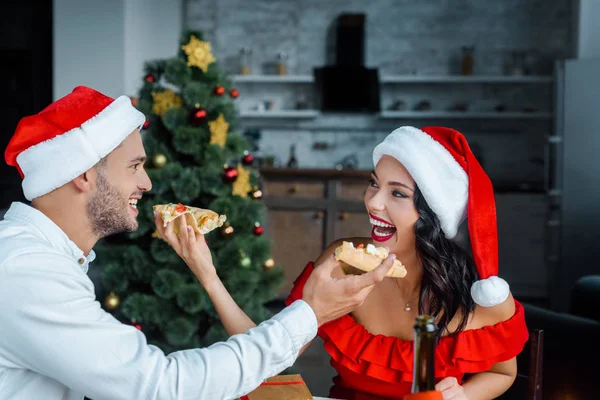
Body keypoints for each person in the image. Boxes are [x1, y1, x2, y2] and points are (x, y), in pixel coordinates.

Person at [0, 86, 395, 400]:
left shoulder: (40, 259)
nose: (147, 184)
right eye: (135, 166)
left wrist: (207, 273)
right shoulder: (28, 272)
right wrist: (311, 312)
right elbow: (160, 386)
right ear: (84, 174)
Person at [185, 126, 529, 400]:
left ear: (433, 213)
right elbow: (265, 355)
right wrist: (208, 274)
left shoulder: (479, 293)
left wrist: (464, 395)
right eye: (373, 184)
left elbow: (503, 373)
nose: (373, 202)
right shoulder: (345, 262)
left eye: (397, 193)